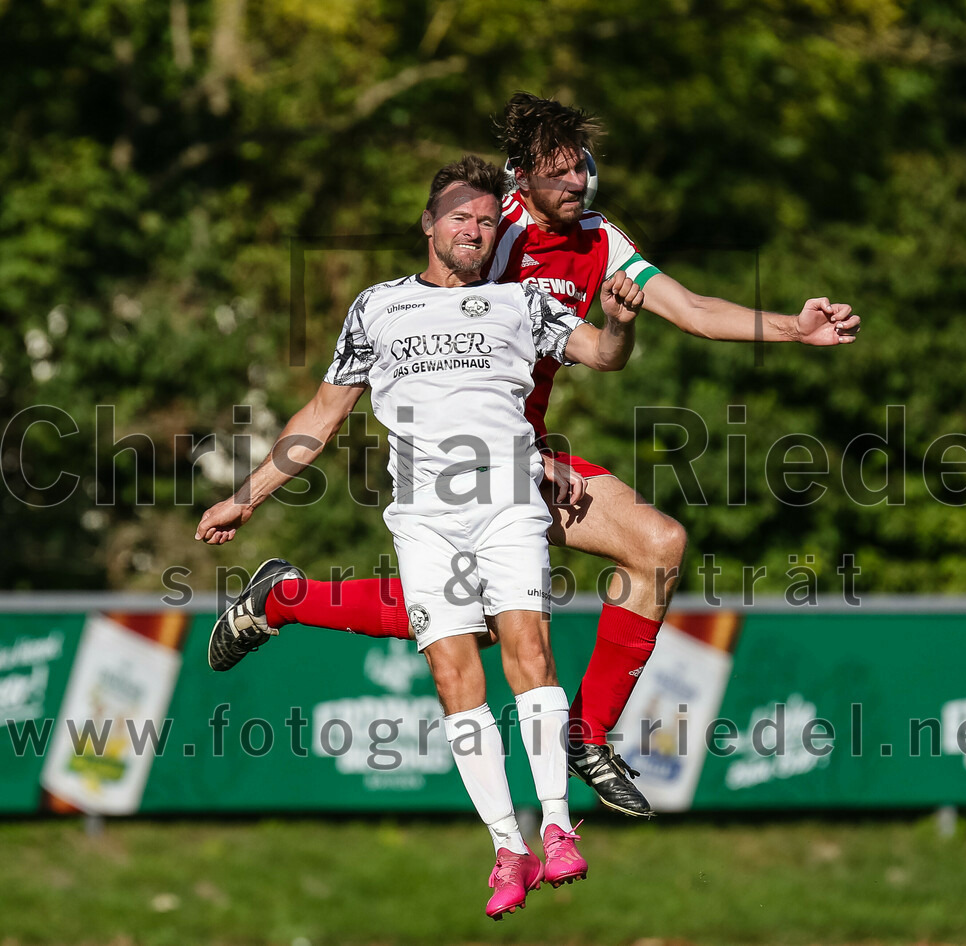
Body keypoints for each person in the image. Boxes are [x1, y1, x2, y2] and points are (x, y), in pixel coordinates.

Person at [197, 93, 862, 819]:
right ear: (521, 180)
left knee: (658, 545)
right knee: (475, 625)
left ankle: (586, 737)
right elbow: (444, 365)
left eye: (584, 170)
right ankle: (283, 598)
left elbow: (694, 310)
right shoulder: (492, 232)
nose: (578, 184)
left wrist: (794, 331)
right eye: (560, 173)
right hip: (459, 458)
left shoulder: (601, 241)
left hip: (527, 452)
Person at [199, 155, 645, 918]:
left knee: (529, 655)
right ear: (429, 225)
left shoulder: (520, 302)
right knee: (454, 679)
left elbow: (602, 357)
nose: (472, 230)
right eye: (459, 218)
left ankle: (560, 829)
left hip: (509, 502)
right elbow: (320, 416)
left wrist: (620, 322)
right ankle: (509, 849)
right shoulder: (377, 308)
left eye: (483, 221)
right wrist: (247, 497)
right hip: (425, 518)